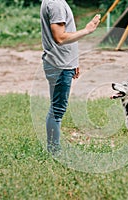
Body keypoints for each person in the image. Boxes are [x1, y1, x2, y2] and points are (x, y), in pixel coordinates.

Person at [40, 0, 101, 154]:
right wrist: (87, 30)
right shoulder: (56, 4)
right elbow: (60, 38)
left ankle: (53, 149)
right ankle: (54, 152)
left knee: (56, 108)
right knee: (57, 110)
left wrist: (73, 61)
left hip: (62, 63)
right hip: (59, 65)